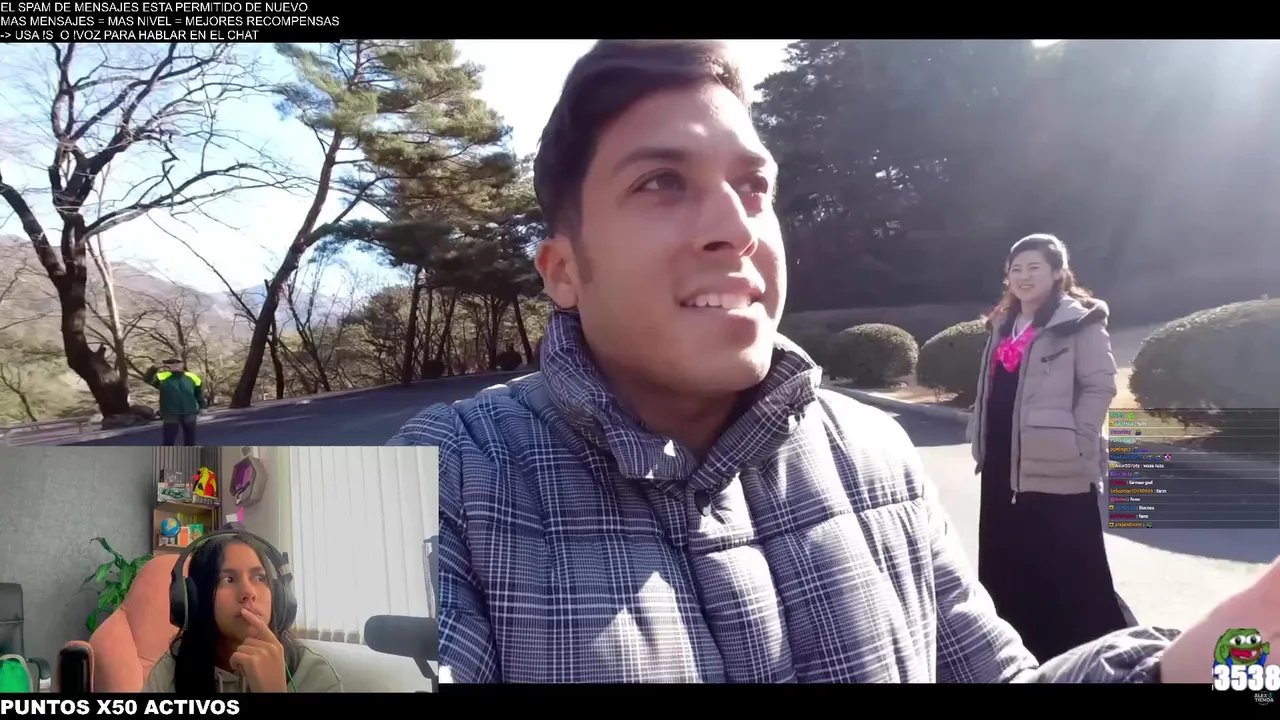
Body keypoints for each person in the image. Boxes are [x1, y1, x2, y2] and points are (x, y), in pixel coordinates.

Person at [392, 40, 1278, 683]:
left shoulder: (876, 453)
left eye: (754, 187)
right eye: (660, 182)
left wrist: (1215, 662)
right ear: (562, 271)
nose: (735, 227)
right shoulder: (403, 489)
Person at [966, 234, 1132, 663]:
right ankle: (1019, 653)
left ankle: (1088, 656)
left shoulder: (1079, 321)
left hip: (1060, 462)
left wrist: (1079, 438)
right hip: (1002, 461)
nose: (1023, 277)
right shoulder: (1003, 322)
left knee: (1069, 567)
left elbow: (1100, 385)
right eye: (1016, 269)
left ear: (1058, 272)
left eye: (1034, 267)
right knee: (1007, 560)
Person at [142, 533, 342, 693]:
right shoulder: (173, 671)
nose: (248, 592)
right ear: (197, 599)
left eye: (259, 578)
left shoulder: (314, 674)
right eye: (228, 579)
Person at [143, 358, 206, 446]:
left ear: (183, 364)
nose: (175, 364)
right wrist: (154, 368)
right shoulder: (162, 377)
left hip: (190, 412)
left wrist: (202, 406)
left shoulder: (192, 377)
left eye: (178, 362)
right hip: (170, 413)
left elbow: (198, 393)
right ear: (166, 365)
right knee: (169, 440)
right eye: (171, 362)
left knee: (190, 439)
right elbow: (147, 379)